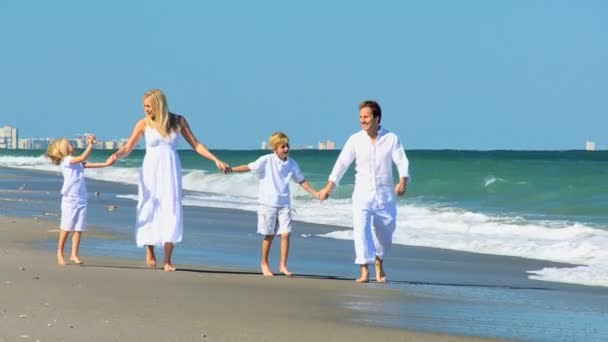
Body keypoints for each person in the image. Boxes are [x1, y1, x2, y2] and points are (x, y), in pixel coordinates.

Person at [108, 89, 230, 272]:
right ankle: (150, 250)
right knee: (149, 207)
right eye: (144, 106)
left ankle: (167, 260)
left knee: (170, 209)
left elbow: (196, 144)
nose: (146, 110)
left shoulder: (178, 121)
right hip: (150, 172)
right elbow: (128, 147)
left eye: (148, 106)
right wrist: (116, 156)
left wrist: (215, 159)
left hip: (170, 172)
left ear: (159, 104)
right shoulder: (143, 123)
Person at [319, 100, 409, 283]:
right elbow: (342, 164)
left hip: (385, 195)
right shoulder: (355, 139)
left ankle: (378, 261)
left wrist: (403, 180)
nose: (362, 120)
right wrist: (330, 187)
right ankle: (364, 270)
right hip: (362, 193)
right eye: (361, 117)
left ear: (376, 118)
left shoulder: (391, 138)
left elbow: (401, 161)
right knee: (361, 230)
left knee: (386, 233)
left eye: (366, 117)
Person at [230, 132, 320, 276]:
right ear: (275, 148)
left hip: (284, 204)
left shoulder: (292, 163)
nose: (286, 149)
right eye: (282, 147)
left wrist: (316, 193)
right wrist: (231, 169)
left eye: (287, 146)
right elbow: (249, 167)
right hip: (267, 204)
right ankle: (264, 263)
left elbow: (301, 180)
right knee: (269, 235)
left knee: (286, 234)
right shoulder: (266, 160)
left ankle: (283, 265)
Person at [46, 134, 114, 265]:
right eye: (69, 143)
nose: (72, 144)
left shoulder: (77, 163)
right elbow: (83, 157)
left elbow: (90, 163)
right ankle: (60, 252)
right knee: (66, 227)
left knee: (79, 228)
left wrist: (106, 163)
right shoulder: (67, 161)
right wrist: (91, 145)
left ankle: (74, 254)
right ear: (63, 149)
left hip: (82, 198)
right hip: (70, 199)